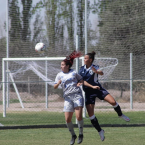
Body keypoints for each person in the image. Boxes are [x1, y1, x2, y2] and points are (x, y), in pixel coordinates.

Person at [79, 51, 130, 141]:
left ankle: (120, 114)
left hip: (98, 89)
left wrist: (96, 71)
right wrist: (84, 84)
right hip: (89, 93)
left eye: (86, 58)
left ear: (90, 60)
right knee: (91, 115)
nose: (84, 59)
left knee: (113, 102)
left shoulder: (94, 67)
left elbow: (101, 72)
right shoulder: (81, 69)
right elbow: (81, 80)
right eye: (84, 58)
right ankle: (100, 131)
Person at [54, 51, 99, 145]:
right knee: (67, 119)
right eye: (61, 65)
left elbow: (82, 80)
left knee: (78, 116)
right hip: (67, 98)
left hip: (77, 96)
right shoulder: (59, 75)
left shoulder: (74, 73)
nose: (61, 66)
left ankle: (81, 134)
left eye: (62, 65)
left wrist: (85, 84)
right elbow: (55, 86)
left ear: (67, 66)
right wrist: (58, 83)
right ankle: (73, 135)